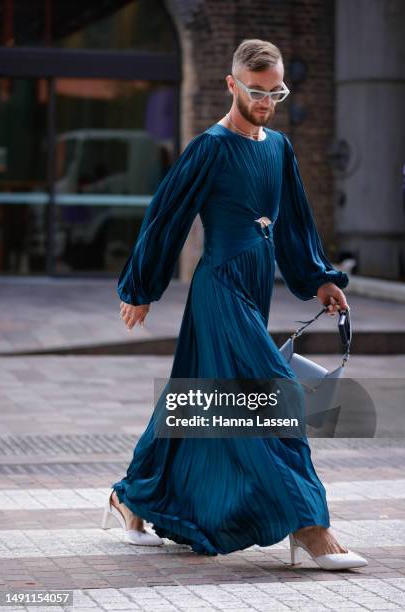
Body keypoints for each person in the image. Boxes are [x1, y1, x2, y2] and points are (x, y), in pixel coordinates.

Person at [102, 39, 367, 569]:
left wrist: (318, 278)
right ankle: (309, 525)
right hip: (219, 288)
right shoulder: (211, 147)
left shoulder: (280, 147)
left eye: (277, 92)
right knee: (276, 396)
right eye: (257, 91)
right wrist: (141, 287)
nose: (267, 101)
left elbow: (293, 220)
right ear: (232, 84)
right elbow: (167, 215)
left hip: (255, 290)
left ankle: (130, 497)